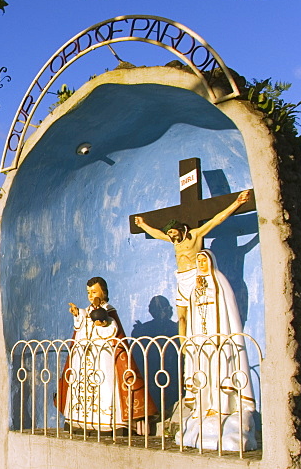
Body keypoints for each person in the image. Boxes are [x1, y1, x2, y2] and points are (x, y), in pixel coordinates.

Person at [133, 189, 251, 336]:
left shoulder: (195, 235)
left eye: (173, 232)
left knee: (202, 311)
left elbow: (216, 220)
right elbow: (157, 234)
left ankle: (208, 338)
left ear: (181, 229)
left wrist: (237, 203)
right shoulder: (174, 241)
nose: (171, 235)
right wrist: (142, 225)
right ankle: (184, 349)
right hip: (182, 279)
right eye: (169, 233)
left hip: (196, 276)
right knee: (182, 317)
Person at [177, 250, 258, 451]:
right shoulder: (194, 285)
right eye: (199, 261)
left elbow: (228, 308)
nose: (201, 263)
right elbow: (187, 309)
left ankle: (222, 407)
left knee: (220, 371)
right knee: (203, 371)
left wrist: (225, 335)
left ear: (211, 261)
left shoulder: (219, 280)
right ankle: (203, 406)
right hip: (200, 338)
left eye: (204, 260)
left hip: (219, 336)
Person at [57, 277, 157, 435]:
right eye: (88, 292)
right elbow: (81, 328)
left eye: (94, 291)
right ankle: (80, 421)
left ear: (103, 292)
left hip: (103, 359)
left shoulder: (109, 310)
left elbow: (113, 332)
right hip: (84, 359)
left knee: (105, 388)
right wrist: (77, 314)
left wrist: (104, 324)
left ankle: (108, 423)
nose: (91, 295)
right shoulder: (87, 311)